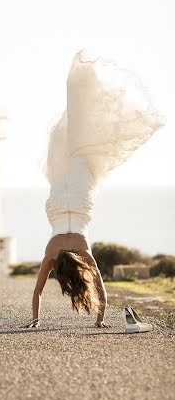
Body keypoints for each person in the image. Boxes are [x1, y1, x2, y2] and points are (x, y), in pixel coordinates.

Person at [26, 49, 165, 328]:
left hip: (79, 198)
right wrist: (35, 318)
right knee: (68, 149)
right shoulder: (52, 252)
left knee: (83, 151)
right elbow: (38, 292)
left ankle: (81, 95)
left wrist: (98, 319)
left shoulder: (82, 250)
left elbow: (99, 289)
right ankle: (78, 92)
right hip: (56, 201)